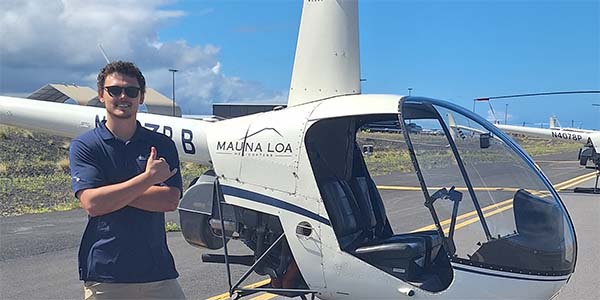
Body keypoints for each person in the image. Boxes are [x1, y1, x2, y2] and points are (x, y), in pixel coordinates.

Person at [69, 61, 185, 299]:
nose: (123, 96)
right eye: (114, 90)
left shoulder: (161, 145)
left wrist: (109, 190)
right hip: (106, 274)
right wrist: (148, 178)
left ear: (141, 97)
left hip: (158, 272)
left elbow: (169, 200)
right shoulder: (85, 146)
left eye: (131, 91)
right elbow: (93, 204)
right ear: (101, 95)